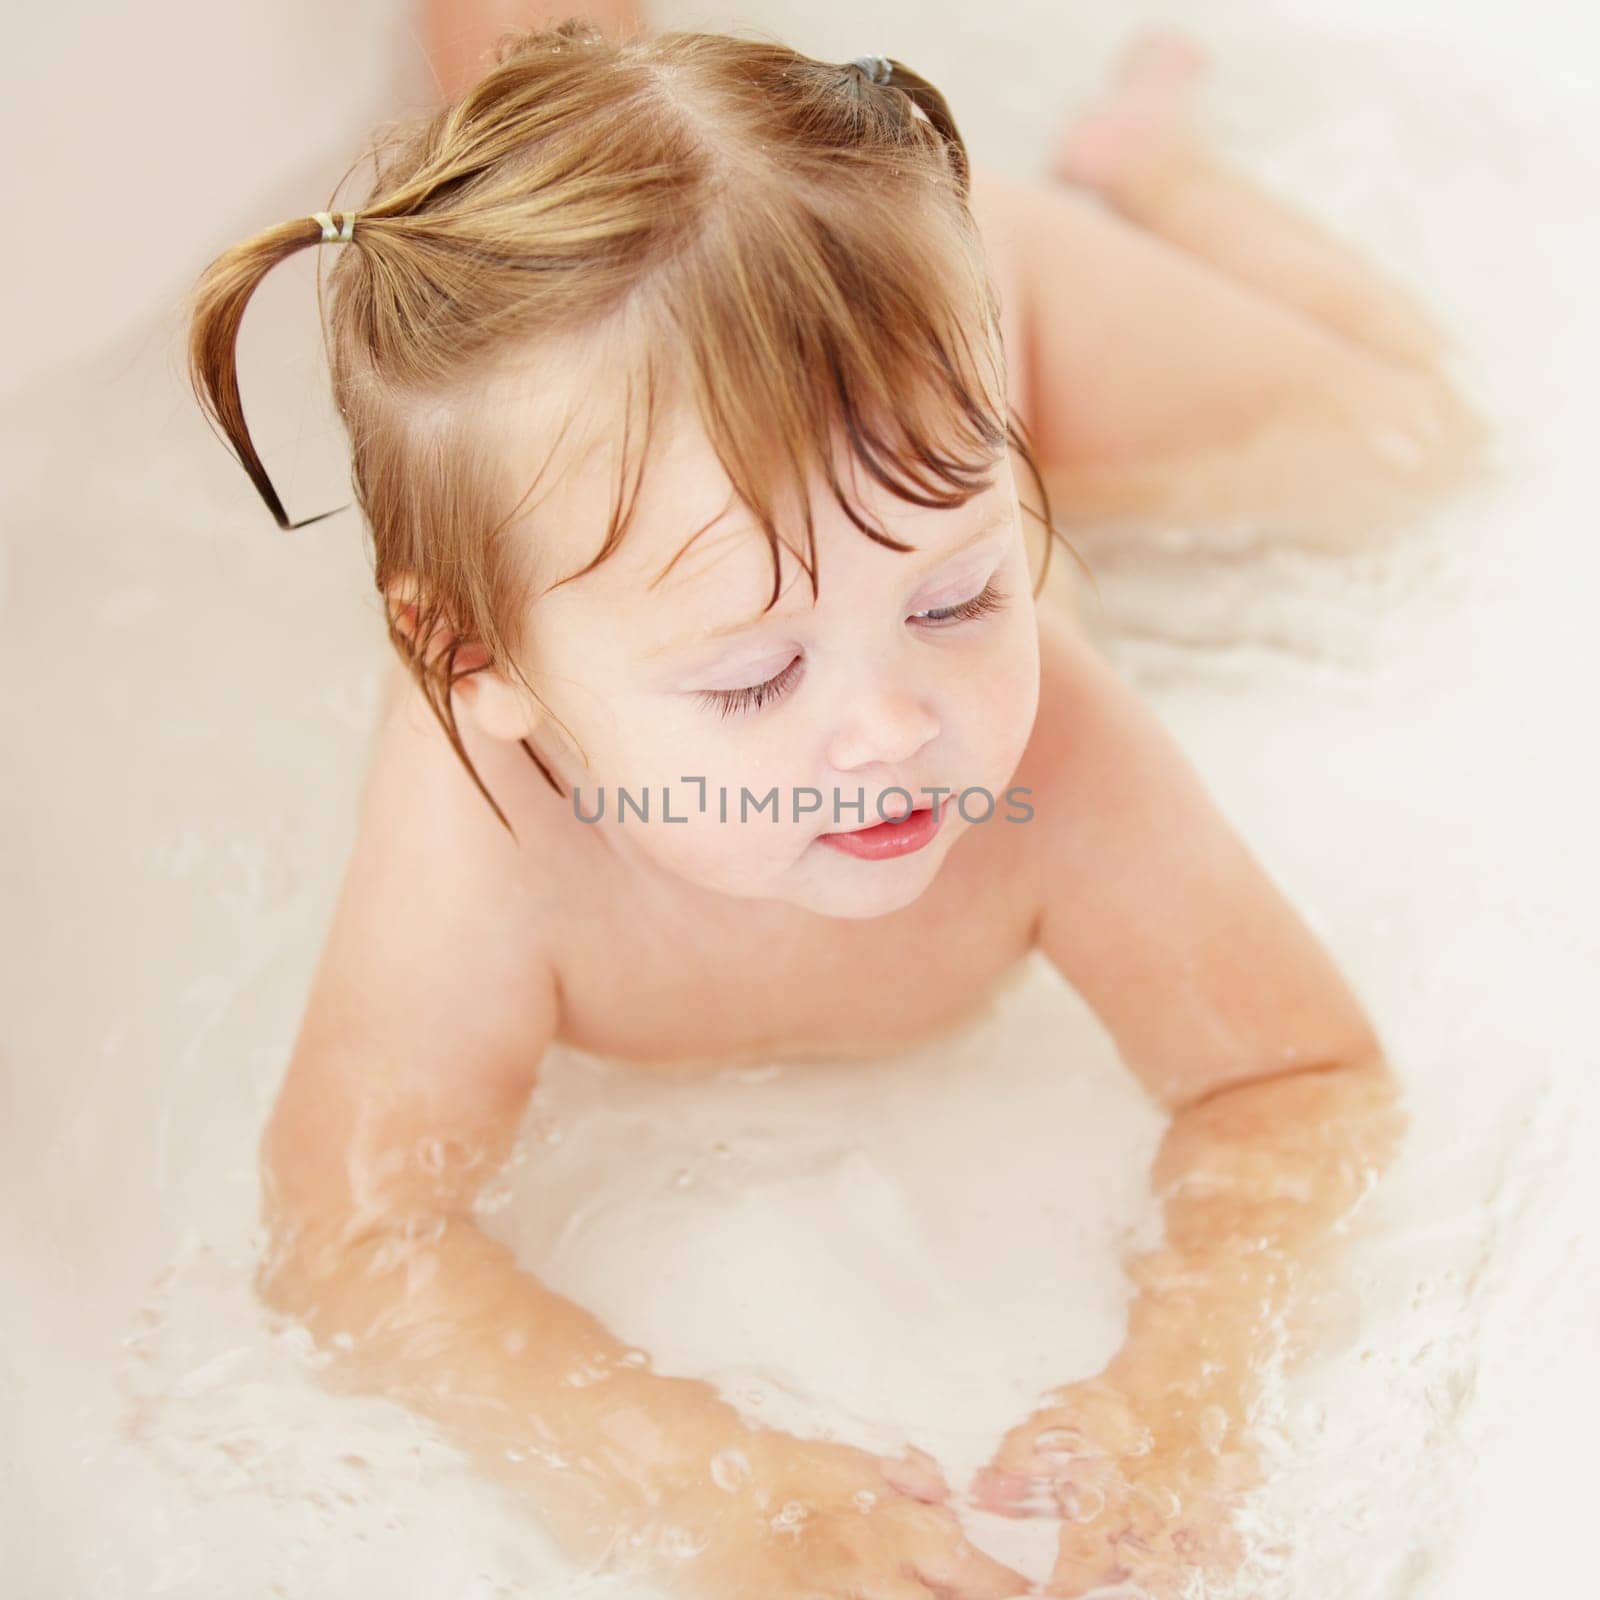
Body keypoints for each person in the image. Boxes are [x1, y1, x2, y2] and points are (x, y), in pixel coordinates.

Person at [185, 19, 1475, 1599]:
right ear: (475, 665)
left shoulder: (1050, 747)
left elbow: (1297, 1081)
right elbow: (355, 1236)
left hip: (986, 307)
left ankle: (1158, 180)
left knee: (1413, 438)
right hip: (766, 415)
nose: (891, 732)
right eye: (750, 680)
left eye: (960, 601)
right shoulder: (488, 839)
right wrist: (697, 1484)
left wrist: (1194, 1381)